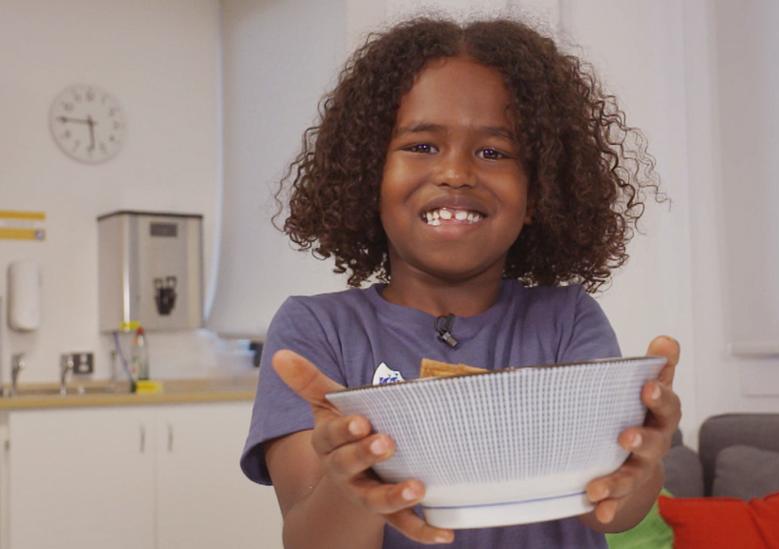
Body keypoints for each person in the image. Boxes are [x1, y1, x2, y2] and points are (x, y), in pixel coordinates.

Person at [241, 16, 681, 549]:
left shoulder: (568, 320)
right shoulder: (314, 331)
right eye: (422, 146)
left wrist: (642, 463)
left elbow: (610, 513)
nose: (455, 172)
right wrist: (350, 482)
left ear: (539, 192)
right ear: (367, 175)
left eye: (494, 152)